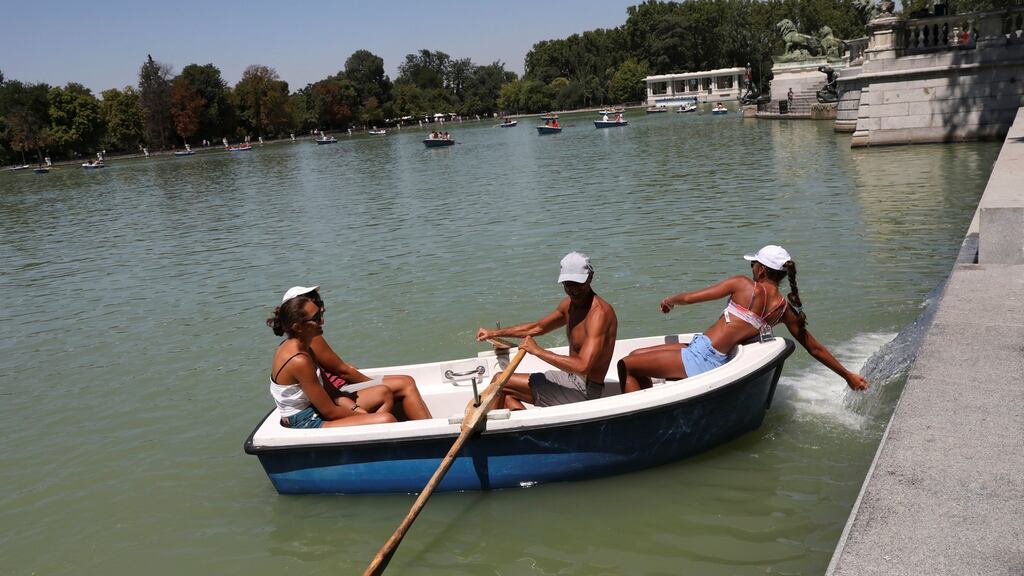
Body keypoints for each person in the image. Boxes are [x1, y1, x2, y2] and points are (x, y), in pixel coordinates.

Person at [618, 245, 870, 393]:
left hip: (700, 358)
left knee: (626, 364)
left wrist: (669, 300)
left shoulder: (742, 284)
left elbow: (692, 297)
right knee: (639, 353)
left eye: (754, 264)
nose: (752, 268)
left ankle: (633, 422)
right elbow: (814, 347)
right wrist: (848, 376)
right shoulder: (783, 309)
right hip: (710, 355)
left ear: (760, 269)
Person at [475, 252, 618, 409]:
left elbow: (583, 366)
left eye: (578, 284)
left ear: (590, 278)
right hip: (569, 378)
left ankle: (491, 432)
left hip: (585, 391)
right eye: (568, 284)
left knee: (499, 381)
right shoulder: (569, 305)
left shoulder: (599, 315)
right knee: (507, 395)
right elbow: (538, 327)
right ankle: (525, 430)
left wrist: (537, 351)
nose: (573, 290)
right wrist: (494, 333)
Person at [283, 286, 433, 420]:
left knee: (401, 383)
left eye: (320, 302)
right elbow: (343, 372)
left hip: (337, 391)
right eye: (315, 303)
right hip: (339, 391)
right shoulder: (311, 340)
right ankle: (428, 431)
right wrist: (371, 384)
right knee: (406, 383)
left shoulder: (305, 342)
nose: (321, 308)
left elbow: (337, 370)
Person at [267, 291, 396, 428]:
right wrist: (368, 417)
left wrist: (355, 409)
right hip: (305, 420)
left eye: (321, 314)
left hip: (315, 408)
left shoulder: (306, 348)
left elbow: (331, 391)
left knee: (384, 393)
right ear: (298, 327)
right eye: (316, 318)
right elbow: (330, 412)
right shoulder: (299, 360)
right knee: (386, 420)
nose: (322, 321)